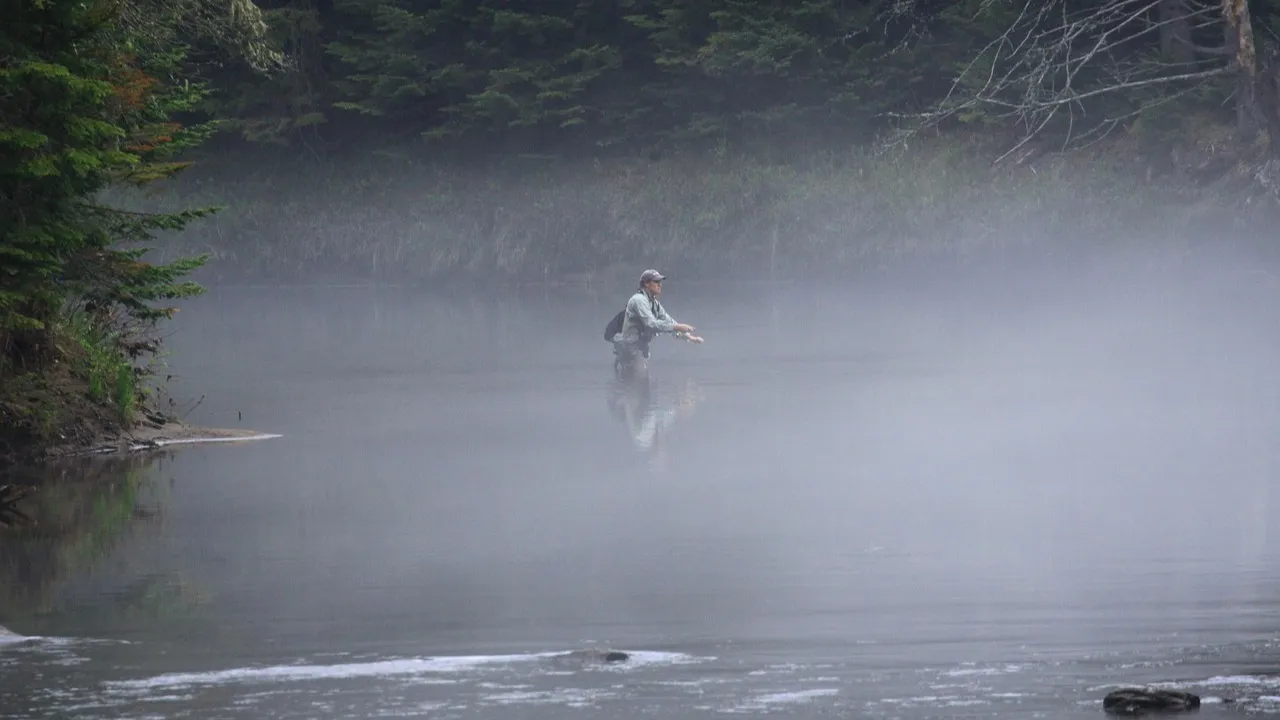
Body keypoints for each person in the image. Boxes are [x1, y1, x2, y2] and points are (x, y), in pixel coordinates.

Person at [611, 269, 700, 378]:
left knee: (641, 382)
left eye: (660, 282)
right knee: (636, 381)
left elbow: (668, 321)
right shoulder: (639, 300)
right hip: (631, 351)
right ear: (646, 283)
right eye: (656, 282)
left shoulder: (654, 303)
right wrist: (677, 327)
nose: (660, 285)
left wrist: (689, 337)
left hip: (640, 350)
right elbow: (651, 324)